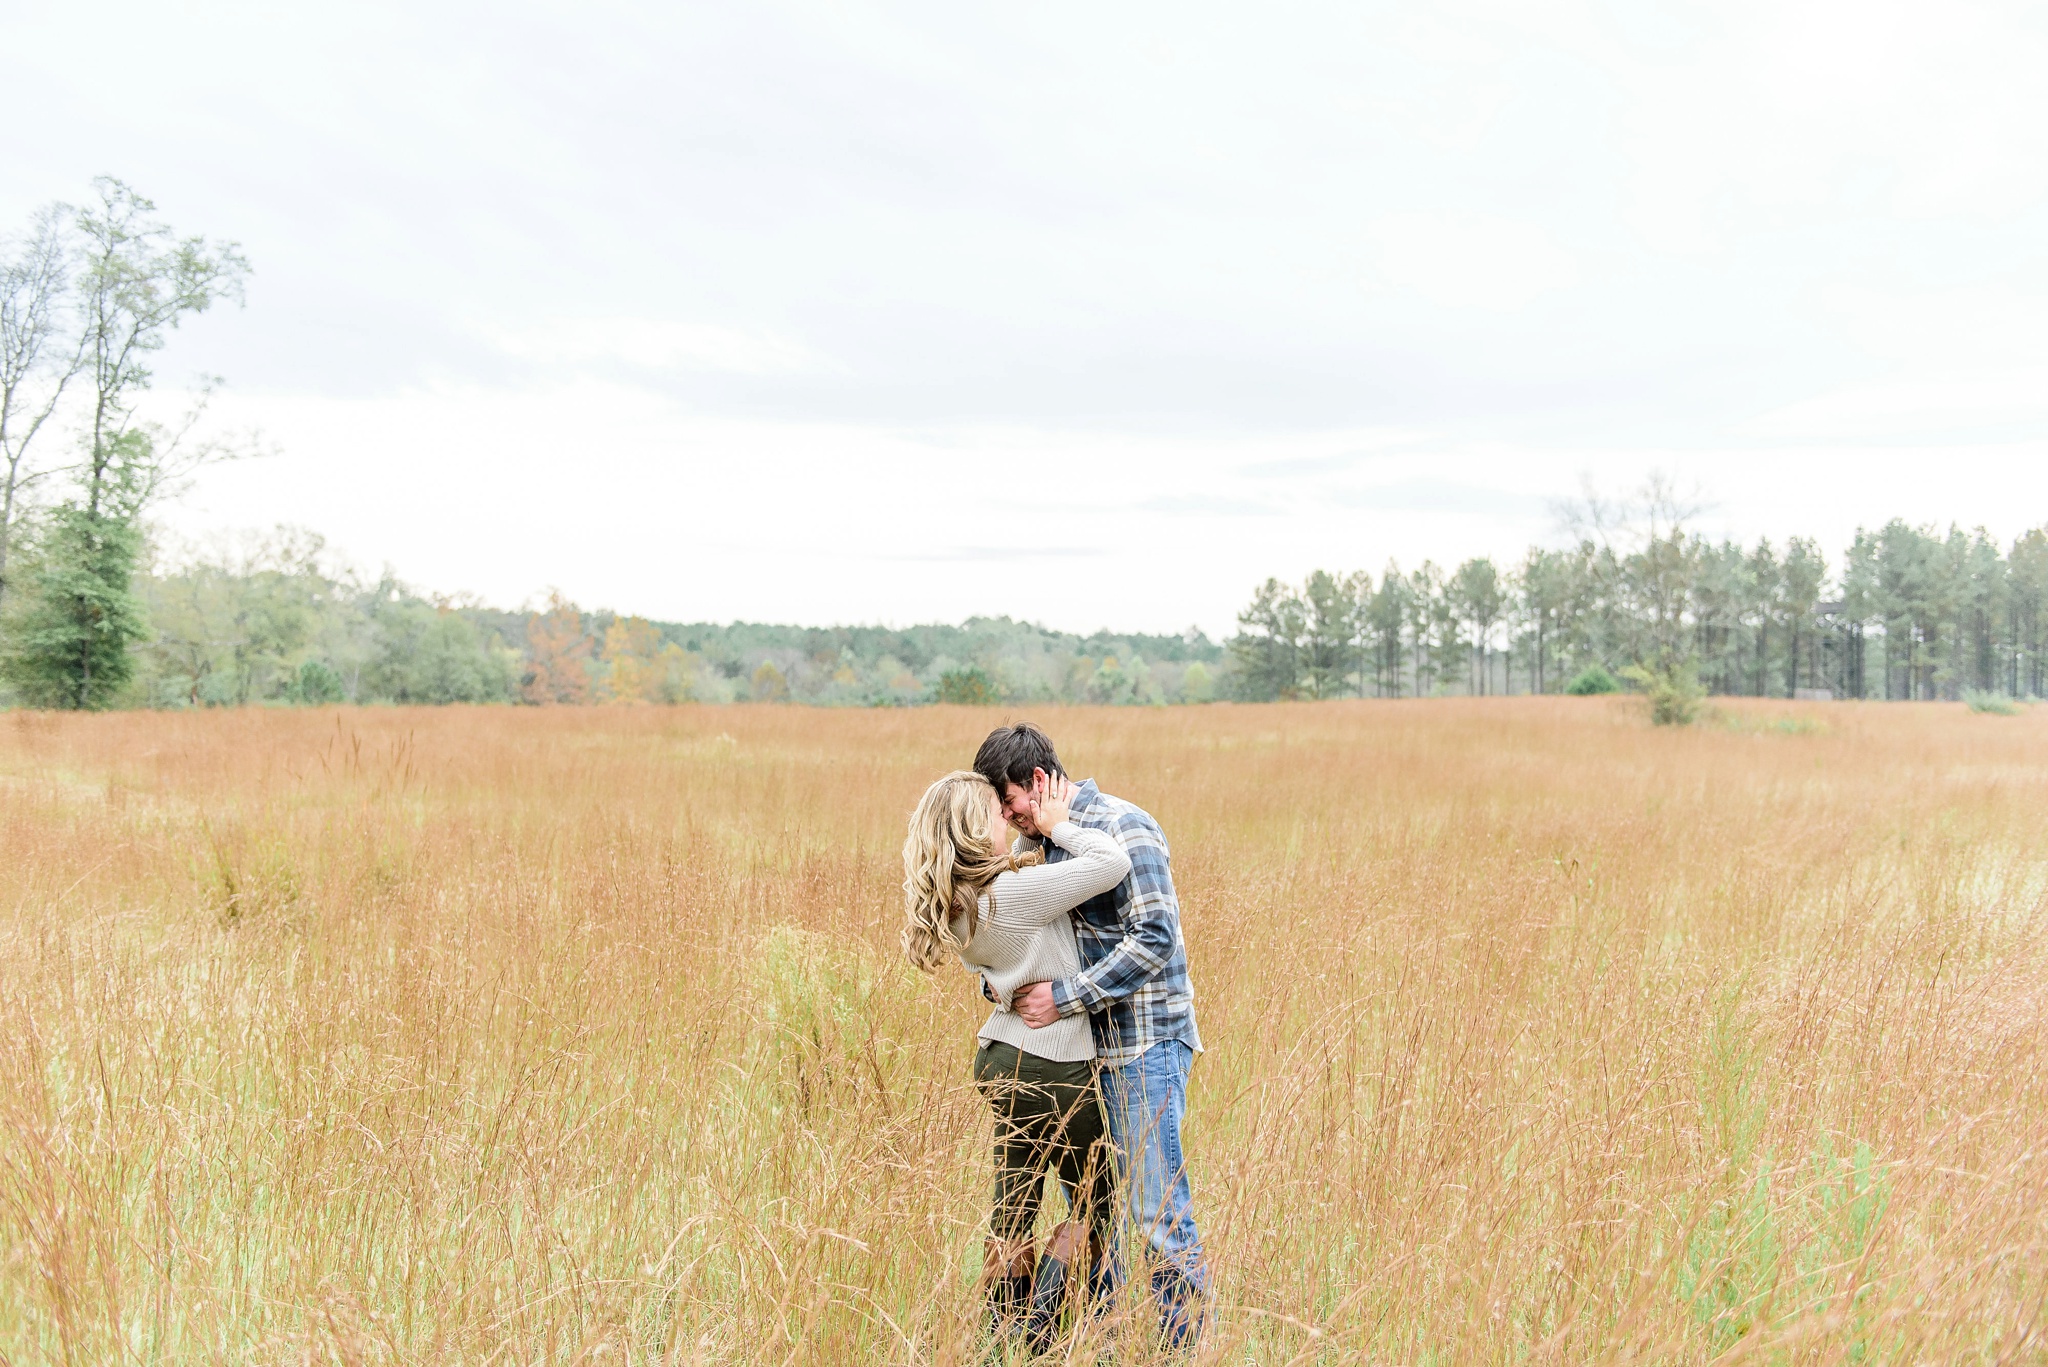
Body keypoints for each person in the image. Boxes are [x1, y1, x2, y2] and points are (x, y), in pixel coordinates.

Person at [973, 722, 1209, 1351]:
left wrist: (1066, 997)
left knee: (1155, 1214)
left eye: (1008, 800)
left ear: (1039, 782)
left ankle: (1179, 1350)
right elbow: (1027, 943)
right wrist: (998, 989)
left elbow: (1155, 938)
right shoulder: (1046, 847)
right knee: (1097, 1214)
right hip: (1079, 1060)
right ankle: (1098, 1345)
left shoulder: (1124, 826)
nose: (1006, 815)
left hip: (1144, 1048)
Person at [901, 767, 1131, 1352]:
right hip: (1056, 1064)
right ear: (974, 829)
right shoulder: (1014, 896)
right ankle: (1045, 1330)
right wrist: (1059, 823)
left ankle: (1001, 1338)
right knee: (1094, 1206)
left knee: (1014, 1206)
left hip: (1002, 1061)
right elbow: (1111, 862)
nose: (1008, 817)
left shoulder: (959, 903)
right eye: (994, 812)